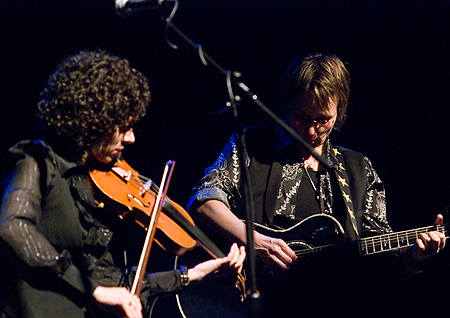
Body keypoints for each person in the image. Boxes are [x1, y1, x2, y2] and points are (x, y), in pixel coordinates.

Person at [187, 53, 446, 317]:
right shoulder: (251, 144)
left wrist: (412, 259)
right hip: (244, 303)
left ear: (339, 111)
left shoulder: (358, 169)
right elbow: (203, 201)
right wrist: (257, 242)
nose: (311, 131)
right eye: (301, 117)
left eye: (323, 120)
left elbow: (378, 263)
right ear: (288, 104)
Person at [0, 50, 246, 318]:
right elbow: (12, 227)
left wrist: (191, 275)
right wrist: (94, 290)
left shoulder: (90, 182)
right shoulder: (37, 161)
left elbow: (113, 284)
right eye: (122, 127)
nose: (131, 138)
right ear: (92, 119)